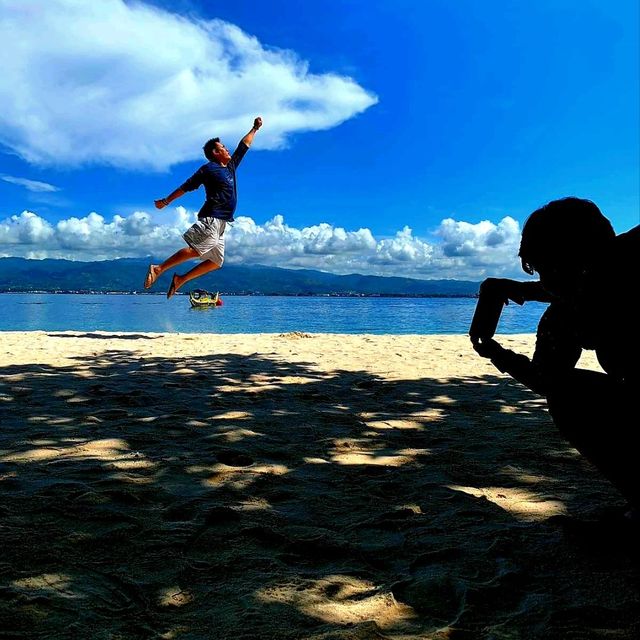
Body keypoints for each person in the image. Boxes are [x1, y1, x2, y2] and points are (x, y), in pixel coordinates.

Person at [470, 197, 639, 519]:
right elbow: (550, 381)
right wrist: (497, 352)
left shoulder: (594, 288)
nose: (546, 282)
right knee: (569, 393)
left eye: (550, 269)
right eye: (541, 272)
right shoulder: (569, 308)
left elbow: (603, 278)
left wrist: (498, 349)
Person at [144, 116, 263, 298]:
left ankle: (181, 279)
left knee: (216, 261)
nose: (227, 149)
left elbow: (243, 146)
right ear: (215, 153)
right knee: (196, 250)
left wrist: (254, 129)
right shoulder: (208, 170)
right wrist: (166, 201)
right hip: (211, 218)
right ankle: (158, 268)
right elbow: (186, 186)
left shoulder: (230, 167)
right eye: (223, 147)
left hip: (222, 224)